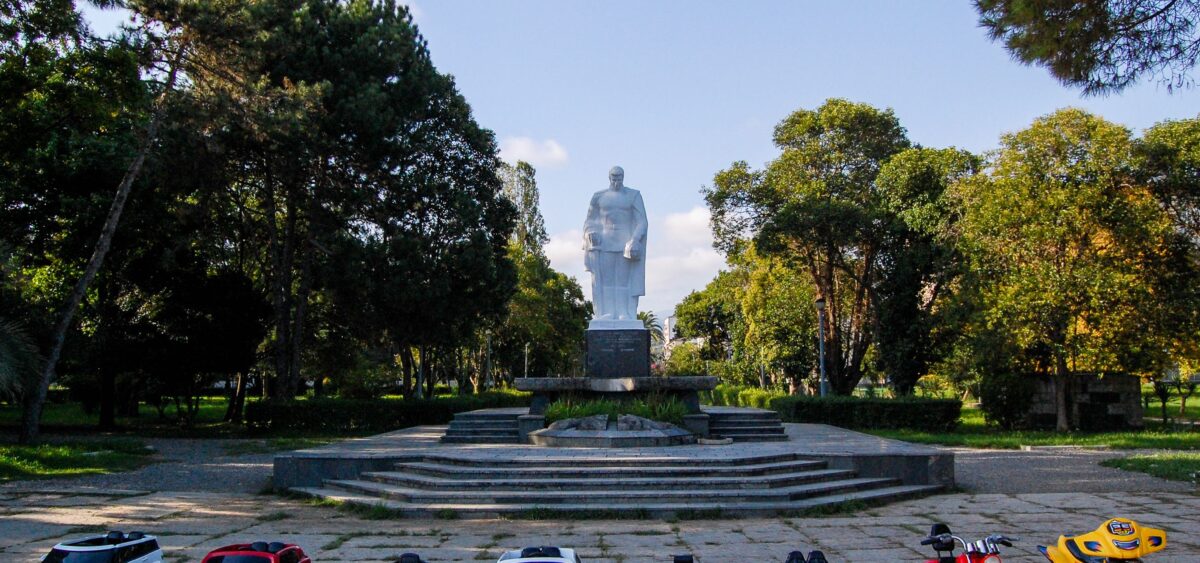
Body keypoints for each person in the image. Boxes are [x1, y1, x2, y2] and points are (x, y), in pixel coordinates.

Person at [582, 166, 647, 323]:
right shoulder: (599, 196)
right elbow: (590, 220)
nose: (617, 181)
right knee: (607, 280)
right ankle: (607, 312)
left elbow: (642, 221)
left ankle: (625, 312)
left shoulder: (633, 195)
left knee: (624, 280)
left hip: (626, 244)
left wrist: (635, 239)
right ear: (609, 177)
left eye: (619, 178)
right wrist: (590, 232)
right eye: (614, 177)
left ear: (623, 177)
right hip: (604, 244)